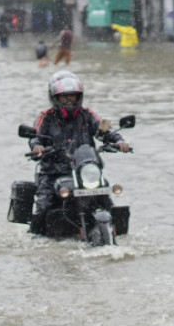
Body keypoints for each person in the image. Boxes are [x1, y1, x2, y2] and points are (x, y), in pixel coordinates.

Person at [27, 71, 131, 236]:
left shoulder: (88, 114)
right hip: (53, 172)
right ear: (55, 98)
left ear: (79, 97)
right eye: (64, 97)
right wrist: (37, 147)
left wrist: (119, 140)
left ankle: (116, 235)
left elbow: (105, 128)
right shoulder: (45, 117)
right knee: (43, 206)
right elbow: (35, 136)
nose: (69, 100)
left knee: (106, 197)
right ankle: (35, 239)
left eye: (73, 97)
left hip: (86, 171)